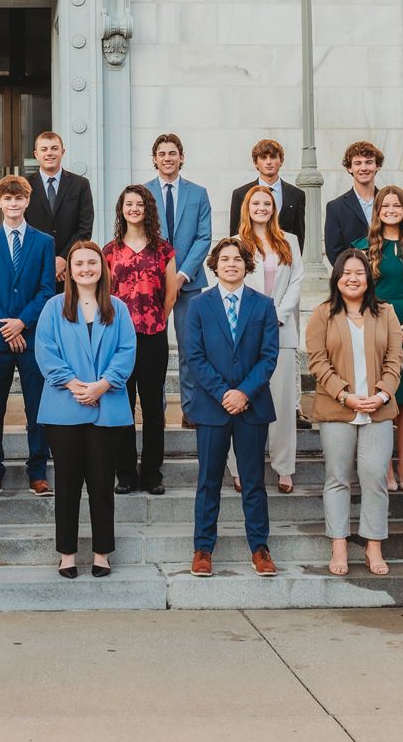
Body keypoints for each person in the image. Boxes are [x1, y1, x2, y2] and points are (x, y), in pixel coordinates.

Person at [34, 241, 136, 578]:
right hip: (65, 406)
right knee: (66, 484)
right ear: (69, 270)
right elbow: (45, 350)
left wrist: (102, 385)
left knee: (102, 484)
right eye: (79, 264)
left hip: (107, 406)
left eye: (92, 263)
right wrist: (73, 383)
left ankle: (102, 551)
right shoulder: (53, 307)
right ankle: (66, 552)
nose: (85, 269)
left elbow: (126, 351)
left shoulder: (117, 308)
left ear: (102, 267)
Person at [184, 238, 280, 579]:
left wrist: (244, 393)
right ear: (215, 264)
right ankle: (203, 548)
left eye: (237, 259)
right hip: (212, 407)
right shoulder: (199, 305)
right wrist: (225, 393)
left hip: (252, 407)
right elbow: (194, 357)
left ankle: (260, 547)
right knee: (208, 481)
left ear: (246, 265)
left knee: (253, 480)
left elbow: (269, 357)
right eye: (224, 259)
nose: (231, 264)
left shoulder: (264, 305)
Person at [305, 248, 403, 577]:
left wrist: (382, 393)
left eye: (359, 272)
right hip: (338, 408)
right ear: (337, 277)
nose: (352, 278)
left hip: (378, 409)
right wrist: (345, 395)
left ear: (368, 277)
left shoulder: (386, 313)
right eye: (346, 272)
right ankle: (340, 545)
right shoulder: (323, 314)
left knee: (375, 476)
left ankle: (374, 546)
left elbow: (394, 360)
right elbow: (317, 361)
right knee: (337, 478)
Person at [0, 175, 56, 498]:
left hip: (33, 337)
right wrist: (6, 325)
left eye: (19, 198)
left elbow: (47, 289)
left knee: (37, 407)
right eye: (7, 199)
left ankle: (38, 470)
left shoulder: (43, 242)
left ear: (27, 201)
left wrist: (21, 323)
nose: (13, 204)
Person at [353, 185, 403, 493]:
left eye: (396, 205)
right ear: (378, 210)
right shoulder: (364, 246)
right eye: (385, 205)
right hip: (375, 324)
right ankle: (384, 469)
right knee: (381, 397)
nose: (391, 210)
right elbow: (358, 287)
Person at [227, 186, 303, 494]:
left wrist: (277, 314)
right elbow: (232, 281)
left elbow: (296, 281)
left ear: (274, 208)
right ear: (247, 207)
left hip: (281, 328)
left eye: (267, 203)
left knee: (283, 402)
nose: (261, 207)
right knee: (242, 399)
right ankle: (240, 467)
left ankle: (284, 467)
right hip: (244, 331)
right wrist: (257, 317)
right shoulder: (235, 243)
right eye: (256, 203)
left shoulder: (290, 241)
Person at [103, 184, 178, 495]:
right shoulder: (109, 251)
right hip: (119, 340)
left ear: (148, 209)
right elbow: (104, 295)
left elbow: (171, 294)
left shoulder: (164, 249)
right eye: (128, 204)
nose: (133, 208)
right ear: (121, 209)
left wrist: (155, 320)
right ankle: (125, 474)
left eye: (139, 204)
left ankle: (151, 475)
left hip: (152, 337)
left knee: (152, 407)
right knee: (122, 407)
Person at [144, 133, 212, 428]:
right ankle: (155, 410)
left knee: (189, 347)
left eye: (173, 153)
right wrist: (160, 274)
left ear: (181, 157)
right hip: (152, 285)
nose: (168, 158)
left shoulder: (198, 193)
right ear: (155, 158)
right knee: (154, 351)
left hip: (190, 283)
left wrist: (183, 273)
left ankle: (190, 409)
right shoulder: (143, 193)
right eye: (162, 153)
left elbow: (204, 236)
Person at [25, 131, 95, 289]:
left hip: (70, 270)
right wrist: (48, 263)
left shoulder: (80, 184)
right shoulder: (25, 185)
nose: (49, 153)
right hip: (34, 268)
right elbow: (22, 226)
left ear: (62, 152)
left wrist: (64, 259)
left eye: (54, 148)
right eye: (44, 149)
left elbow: (85, 228)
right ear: (36, 154)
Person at [228, 139, 306, 249]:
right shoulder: (240, 194)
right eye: (263, 157)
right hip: (251, 257)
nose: (268, 162)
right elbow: (235, 234)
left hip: (284, 258)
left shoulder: (296, 195)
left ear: (281, 161)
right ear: (256, 162)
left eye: (273, 157)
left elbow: (299, 235)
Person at [323, 140, 383, 266]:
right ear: (350, 168)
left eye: (369, 162)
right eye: (357, 163)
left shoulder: (389, 202)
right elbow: (334, 251)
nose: (363, 168)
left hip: (387, 277)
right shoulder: (335, 207)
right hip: (354, 279)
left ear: (377, 166)